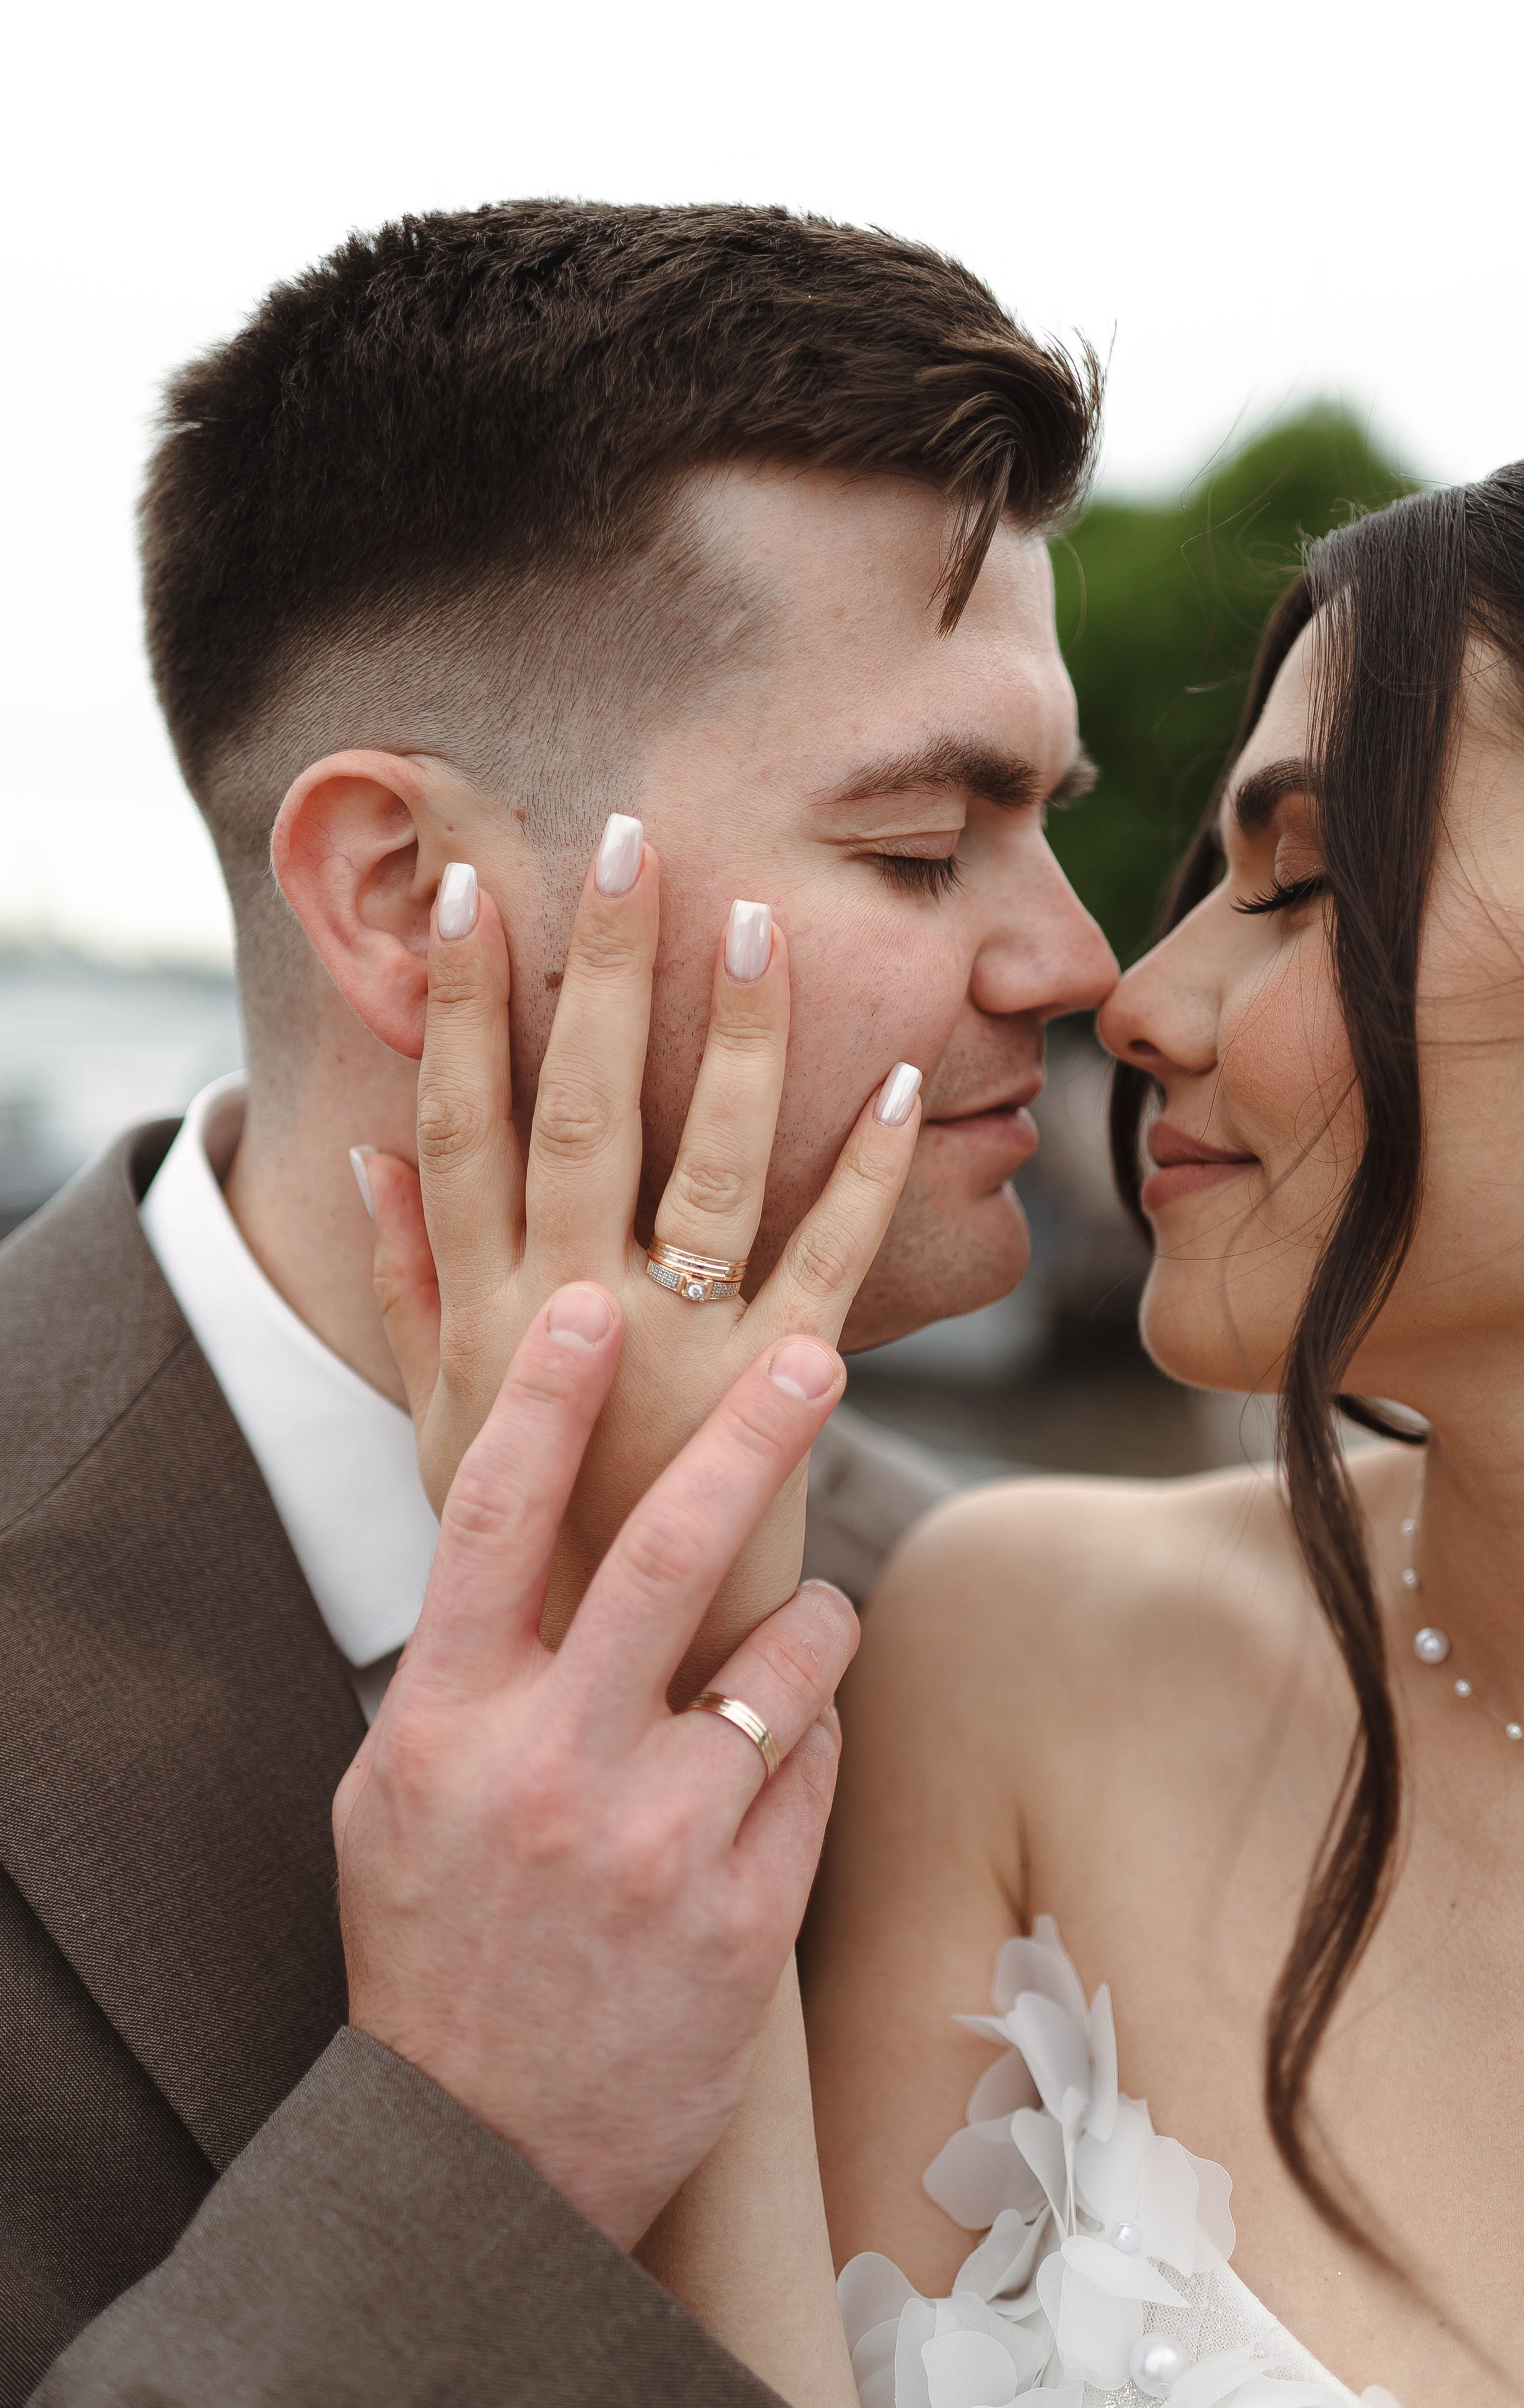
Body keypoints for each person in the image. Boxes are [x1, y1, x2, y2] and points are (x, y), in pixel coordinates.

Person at [0, 199, 1116, 2399]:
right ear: (410, 899)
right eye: (922, 843)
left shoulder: (998, 1634)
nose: (1078, 961)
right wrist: (475, 2135)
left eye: (1049, 822)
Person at [415, 449, 1524, 2408]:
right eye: (909, 846)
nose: (1129, 995)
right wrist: (675, 1601)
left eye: (1307, 884)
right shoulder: (1025, 1645)